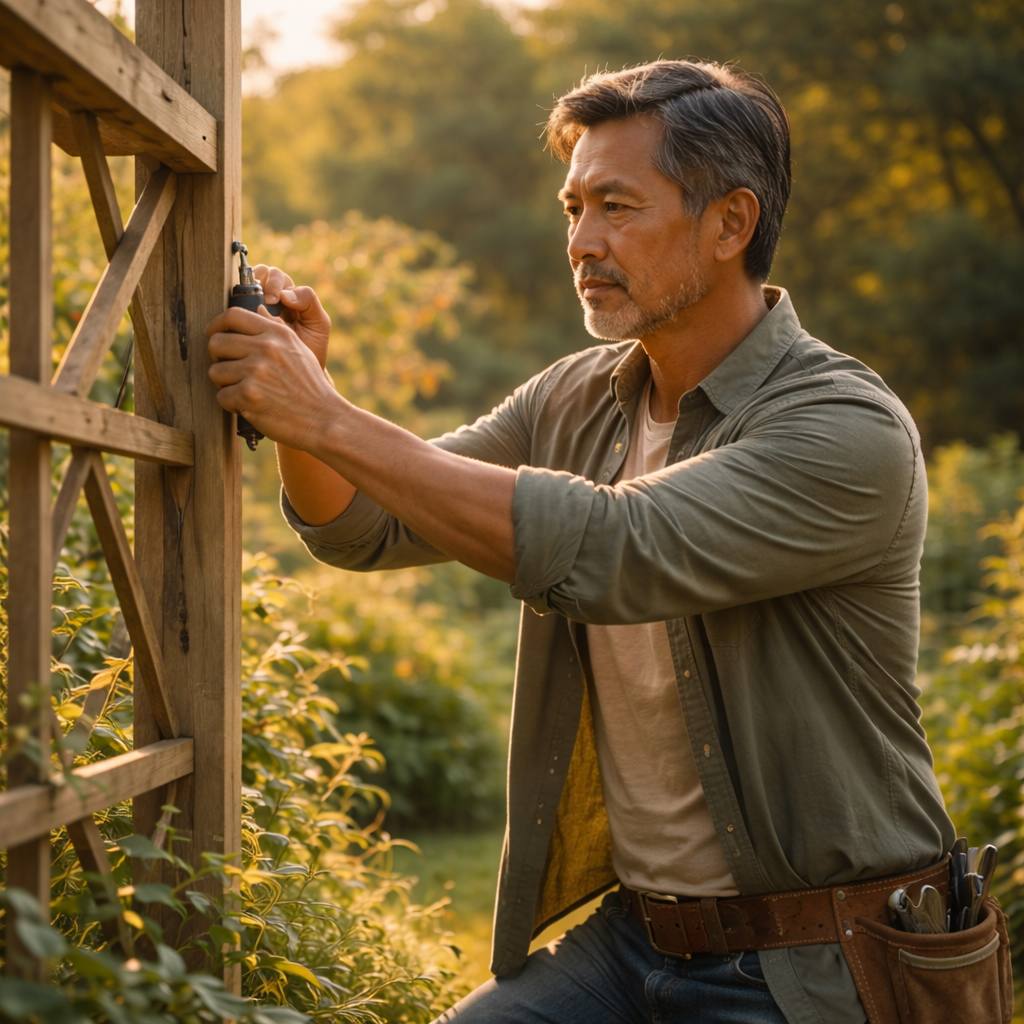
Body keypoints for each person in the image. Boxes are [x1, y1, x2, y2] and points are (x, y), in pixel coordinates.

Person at [206, 60, 955, 1024]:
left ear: (730, 224)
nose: (581, 242)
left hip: (813, 962)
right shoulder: (576, 395)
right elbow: (368, 524)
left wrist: (330, 416)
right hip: (631, 941)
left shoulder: (846, 429)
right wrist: (311, 418)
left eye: (617, 206)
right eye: (573, 207)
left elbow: (617, 548)